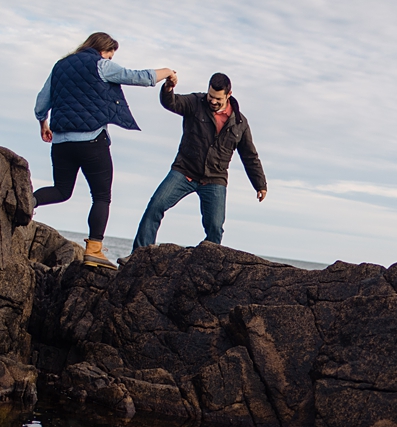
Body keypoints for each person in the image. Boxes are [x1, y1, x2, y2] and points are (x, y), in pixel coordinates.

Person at [33, 32, 175, 269]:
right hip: (91, 141)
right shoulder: (101, 65)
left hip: (61, 142)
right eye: (111, 53)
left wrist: (43, 124)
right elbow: (139, 77)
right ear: (104, 50)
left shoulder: (60, 66)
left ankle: (28, 202)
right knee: (101, 196)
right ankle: (94, 250)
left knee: (61, 189)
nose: (111, 58)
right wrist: (168, 72)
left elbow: (41, 102)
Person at [132, 72, 267, 252]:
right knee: (155, 206)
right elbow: (171, 103)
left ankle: (207, 269)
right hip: (184, 171)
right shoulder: (195, 102)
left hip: (214, 179)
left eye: (218, 98)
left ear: (229, 94)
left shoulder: (240, 123)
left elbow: (250, 156)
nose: (213, 101)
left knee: (215, 229)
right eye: (211, 96)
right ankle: (138, 255)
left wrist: (260, 184)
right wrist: (168, 88)